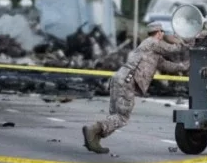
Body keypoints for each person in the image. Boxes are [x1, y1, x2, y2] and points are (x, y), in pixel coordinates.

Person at [81, 21, 190, 154]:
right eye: (162, 32)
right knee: (122, 117)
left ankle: (95, 139)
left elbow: (170, 66)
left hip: (121, 79)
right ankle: (93, 129)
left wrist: (187, 64)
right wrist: (185, 41)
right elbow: (174, 49)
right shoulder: (152, 42)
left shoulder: (151, 51)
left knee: (115, 116)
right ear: (159, 33)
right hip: (127, 81)